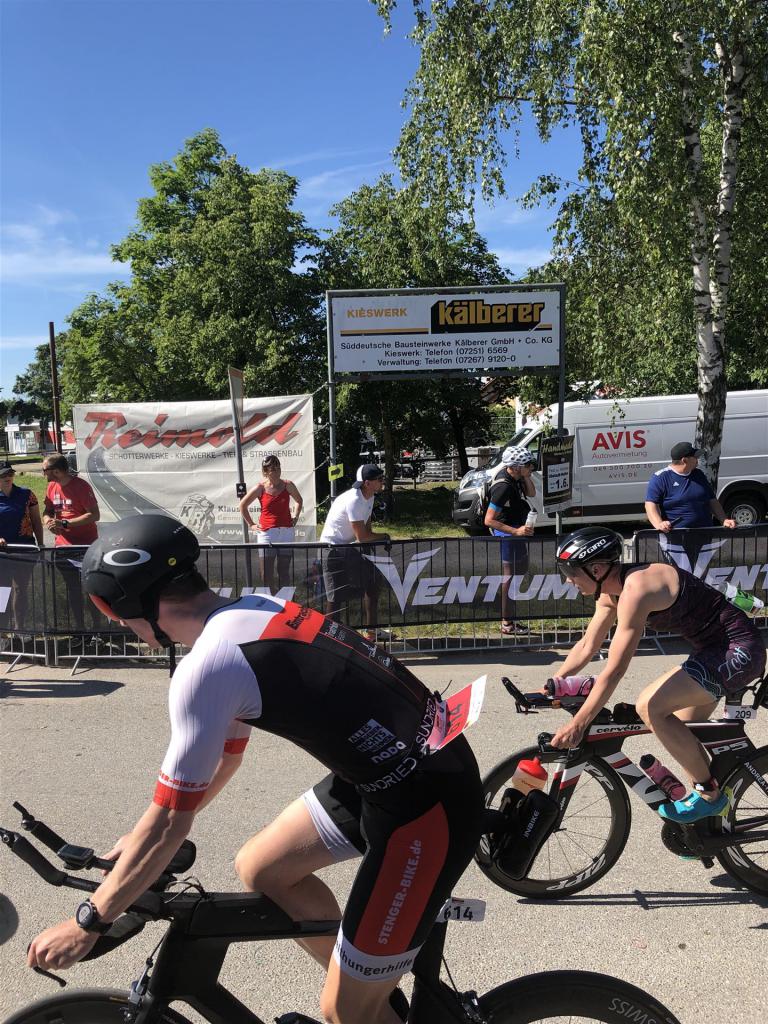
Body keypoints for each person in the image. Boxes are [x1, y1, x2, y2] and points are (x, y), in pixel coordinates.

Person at [27, 514, 485, 1024]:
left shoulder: (210, 664)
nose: (115, 622)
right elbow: (225, 760)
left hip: (426, 806)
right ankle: (374, 994)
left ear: (131, 602)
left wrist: (88, 921)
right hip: (396, 771)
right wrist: (139, 840)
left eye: (111, 610)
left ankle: (360, 1004)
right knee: (262, 868)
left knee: (342, 1012)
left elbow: (171, 823)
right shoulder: (246, 610)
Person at [550, 526, 765, 823]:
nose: (567, 580)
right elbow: (588, 645)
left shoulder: (637, 590)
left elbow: (615, 669)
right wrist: (554, 684)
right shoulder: (610, 593)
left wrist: (579, 723)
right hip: (712, 651)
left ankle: (710, 796)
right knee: (684, 735)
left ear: (596, 569)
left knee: (651, 706)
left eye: (570, 572)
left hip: (739, 650)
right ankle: (709, 824)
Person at [320, 464, 389, 643]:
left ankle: (371, 632)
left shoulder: (370, 497)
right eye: (379, 479)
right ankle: (328, 640)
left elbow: (367, 531)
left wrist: (372, 543)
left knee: (373, 582)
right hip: (332, 550)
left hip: (347, 548)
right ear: (367, 483)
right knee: (335, 597)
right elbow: (363, 536)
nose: (382, 481)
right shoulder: (354, 500)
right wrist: (385, 536)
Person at [42, 452, 102, 637]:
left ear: (57, 471)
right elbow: (47, 510)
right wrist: (48, 522)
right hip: (63, 548)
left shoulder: (81, 486)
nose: (43, 474)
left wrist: (65, 523)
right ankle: (79, 631)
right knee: (72, 591)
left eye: (45, 470)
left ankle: (97, 632)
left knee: (91, 590)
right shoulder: (51, 486)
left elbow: (94, 515)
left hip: (85, 548)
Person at [484, 445, 536, 636]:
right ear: (515, 466)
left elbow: (532, 493)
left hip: (516, 530)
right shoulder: (503, 487)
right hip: (507, 533)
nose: (531, 467)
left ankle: (510, 617)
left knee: (520, 571)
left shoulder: (516, 477)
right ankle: (507, 622)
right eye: (527, 465)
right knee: (510, 576)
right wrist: (516, 532)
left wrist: (526, 475)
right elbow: (489, 520)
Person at [239, 454, 303, 593]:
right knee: (266, 574)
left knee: (284, 571)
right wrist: (251, 524)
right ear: (265, 472)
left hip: (286, 533)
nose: (277, 471)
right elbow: (242, 505)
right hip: (267, 534)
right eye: (273, 469)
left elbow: (299, 500)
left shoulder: (288, 485)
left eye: (278, 467)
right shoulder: (260, 488)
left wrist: (296, 516)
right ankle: (271, 600)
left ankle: (285, 601)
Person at [645, 442, 736, 532]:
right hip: (675, 537)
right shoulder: (660, 477)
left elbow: (712, 500)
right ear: (684, 460)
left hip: (705, 534)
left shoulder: (699, 474)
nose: (698, 459)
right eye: (695, 457)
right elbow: (650, 505)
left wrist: (724, 519)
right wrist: (659, 524)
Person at [0, 461, 44, 632]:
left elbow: (36, 521)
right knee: (2, 591)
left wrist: (41, 544)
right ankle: (3, 631)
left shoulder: (27, 494)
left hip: (25, 550)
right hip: (2, 553)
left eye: (10, 474)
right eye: (3, 475)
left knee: (21, 590)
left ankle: (20, 629)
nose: (7, 477)